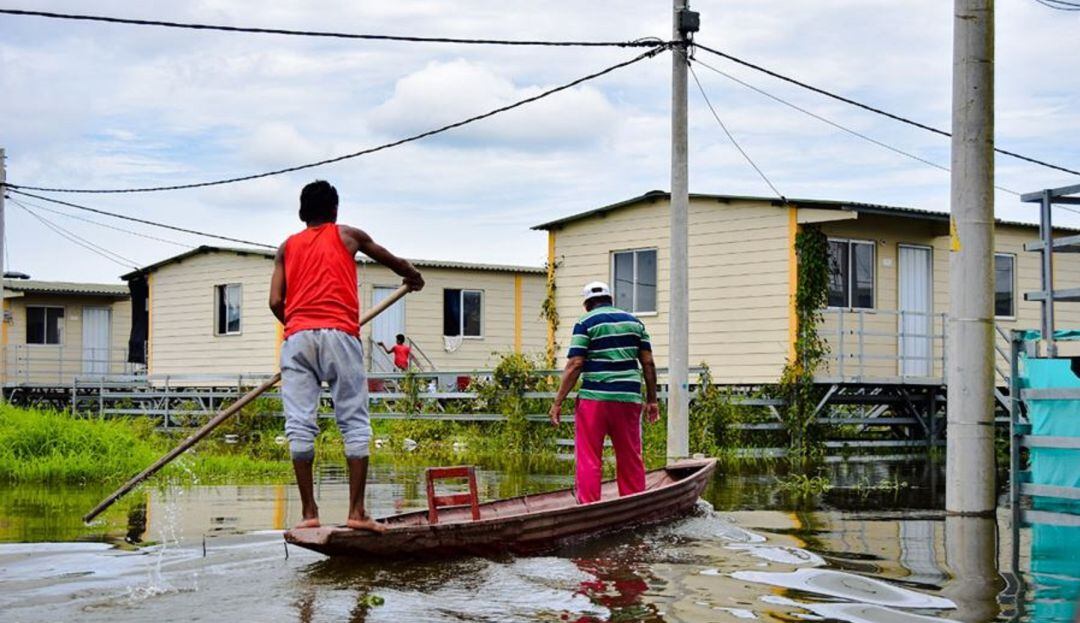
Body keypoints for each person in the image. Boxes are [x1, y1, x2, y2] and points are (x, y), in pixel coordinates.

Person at [269, 180, 424, 531]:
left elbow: (276, 302)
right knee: (353, 421)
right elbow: (393, 261)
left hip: (297, 339)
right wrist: (412, 276)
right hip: (340, 333)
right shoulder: (348, 236)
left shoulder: (285, 248)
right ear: (336, 211)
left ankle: (309, 514)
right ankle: (356, 512)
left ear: (301, 213)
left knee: (299, 426)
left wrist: (297, 327)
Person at [549, 281, 659, 504]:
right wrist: (652, 400)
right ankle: (633, 504)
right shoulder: (635, 323)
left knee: (589, 457)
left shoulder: (585, 322)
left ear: (587, 304)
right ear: (611, 299)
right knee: (630, 456)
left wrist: (558, 402)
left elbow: (575, 364)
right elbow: (648, 364)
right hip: (628, 400)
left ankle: (589, 506)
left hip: (594, 400)